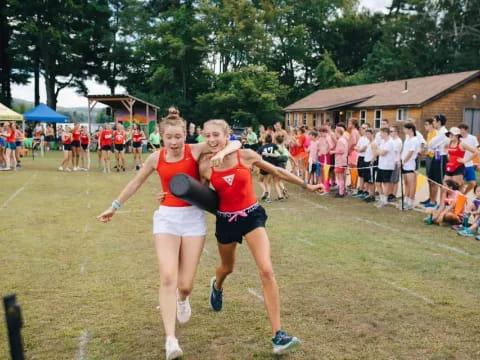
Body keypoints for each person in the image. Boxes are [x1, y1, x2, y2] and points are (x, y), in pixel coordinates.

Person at [97, 113, 241, 360]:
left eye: (178, 137)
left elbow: (235, 143)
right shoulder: (156, 157)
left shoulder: (194, 150)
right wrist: (114, 206)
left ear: (185, 136)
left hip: (193, 219)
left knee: (184, 285)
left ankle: (182, 299)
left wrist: (219, 153)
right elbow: (135, 182)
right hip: (166, 219)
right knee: (167, 276)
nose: (174, 142)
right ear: (161, 137)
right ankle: (170, 340)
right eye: (168, 137)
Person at [198, 119, 323, 355]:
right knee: (227, 268)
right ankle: (217, 286)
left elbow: (276, 171)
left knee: (266, 270)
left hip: (252, 216)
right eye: (207, 136)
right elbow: (197, 194)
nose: (212, 140)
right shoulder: (205, 166)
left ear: (227, 136)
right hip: (226, 221)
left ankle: (278, 336)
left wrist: (307, 186)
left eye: (216, 135)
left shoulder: (244, 155)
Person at [443, 127, 480, 191]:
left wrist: (466, 160)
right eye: (449, 134)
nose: (450, 135)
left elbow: (476, 152)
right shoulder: (449, 142)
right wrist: (446, 154)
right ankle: (448, 201)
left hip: (458, 167)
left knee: (455, 187)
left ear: (457, 135)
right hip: (450, 166)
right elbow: (445, 147)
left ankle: (460, 200)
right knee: (446, 186)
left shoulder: (462, 144)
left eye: (452, 134)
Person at [426, 114, 448, 207]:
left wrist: (432, 145)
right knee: (433, 179)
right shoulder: (438, 132)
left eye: (434, 121)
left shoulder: (443, 132)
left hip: (441, 156)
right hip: (437, 155)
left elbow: (431, 144)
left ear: (439, 122)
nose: (433, 123)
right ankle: (433, 201)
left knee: (441, 180)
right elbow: (431, 145)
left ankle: (442, 202)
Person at [372, 128, 395, 208]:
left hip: (388, 166)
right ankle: (382, 198)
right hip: (381, 165)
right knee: (377, 183)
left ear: (385, 133)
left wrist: (375, 149)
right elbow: (379, 152)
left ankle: (385, 200)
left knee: (386, 183)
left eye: (381, 133)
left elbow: (382, 153)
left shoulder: (390, 142)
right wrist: (377, 150)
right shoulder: (382, 141)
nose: (380, 135)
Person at [401, 123, 420, 210]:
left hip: (410, 164)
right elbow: (404, 150)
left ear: (410, 129)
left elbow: (411, 152)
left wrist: (404, 161)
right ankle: (406, 200)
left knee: (412, 184)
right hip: (404, 164)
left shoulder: (415, 140)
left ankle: (410, 202)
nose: (404, 131)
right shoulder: (407, 138)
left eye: (405, 129)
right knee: (406, 183)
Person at [458, 124, 479, 194]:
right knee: (461, 183)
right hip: (460, 164)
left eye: (462, 129)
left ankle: (464, 194)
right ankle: (459, 199)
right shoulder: (458, 139)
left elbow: (477, 151)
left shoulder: (473, 138)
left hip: (469, 164)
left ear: (466, 130)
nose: (460, 131)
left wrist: (479, 163)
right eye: (459, 130)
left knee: (473, 183)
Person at [257, 134, 278, 202]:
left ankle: (265, 190)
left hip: (264, 165)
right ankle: (268, 197)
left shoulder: (262, 147)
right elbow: (279, 151)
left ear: (265, 140)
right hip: (271, 165)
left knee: (260, 181)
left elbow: (258, 155)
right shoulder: (274, 145)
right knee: (268, 183)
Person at [330, 127, 348, 198]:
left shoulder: (341, 140)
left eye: (335, 132)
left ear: (338, 133)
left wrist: (333, 152)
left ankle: (341, 192)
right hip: (341, 160)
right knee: (340, 177)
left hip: (340, 161)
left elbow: (341, 151)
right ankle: (341, 191)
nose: (335, 134)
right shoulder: (343, 140)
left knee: (340, 177)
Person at [388, 126, 403, 202]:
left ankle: (393, 194)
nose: (390, 133)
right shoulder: (390, 140)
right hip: (390, 162)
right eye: (390, 131)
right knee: (390, 179)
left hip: (395, 161)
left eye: (391, 131)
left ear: (396, 132)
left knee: (395, 180)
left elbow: (396, 152)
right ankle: (390, 193)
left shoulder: (398, 141)